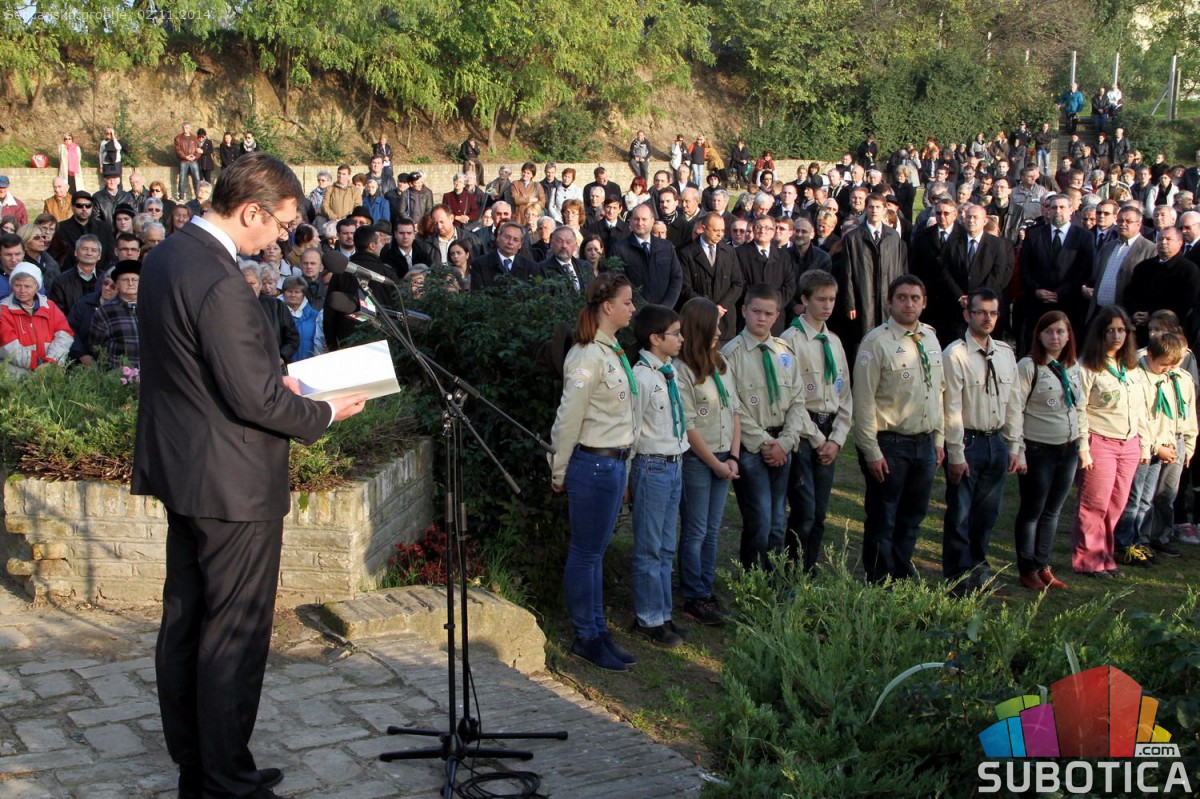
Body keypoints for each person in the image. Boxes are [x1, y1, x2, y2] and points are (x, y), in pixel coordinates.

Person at [132, 152, 367, 799]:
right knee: (232, 631)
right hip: (232, 482)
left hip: (186, 469)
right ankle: (226, 781)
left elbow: (209, 371)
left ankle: (201, 765)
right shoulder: (221, 281)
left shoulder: (168, 257)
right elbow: (255, 400)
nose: (280, 239)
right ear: (251, 210)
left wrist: (272, 380)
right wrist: (324, 410)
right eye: (281, 224)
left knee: (187, 621)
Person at [549, 272, 638, 672]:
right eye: (627, 302)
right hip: (595, 465)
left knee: (596, 553)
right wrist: (559, 469)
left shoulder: (612, 350)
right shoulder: (587, 355)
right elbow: (569, 418)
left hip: (613, 463)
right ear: (607, 307)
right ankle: (586, 636)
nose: (632, 308)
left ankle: (599, 630)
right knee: (586, 554)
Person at [852, 274, 945, 583]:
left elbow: (938, 391)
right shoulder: (876, 342)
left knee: (913, 517)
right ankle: (880, 582)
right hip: (889, 444)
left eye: (915, 298)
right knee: (883, 518)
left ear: (924, 303)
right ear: (889, 302)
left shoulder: (930, 338)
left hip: (924, 443)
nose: (909, 303)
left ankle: (902, 578)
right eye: (902, 297)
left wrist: (939, 440)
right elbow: (863, 400)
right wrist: (871, 450)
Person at [722, 283, 822, 570]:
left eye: (768, 313)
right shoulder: (731, 354)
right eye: (756, 311)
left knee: (778, 521)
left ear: (777, 315)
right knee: (760, 520)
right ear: (744, 311)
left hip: (783, 445)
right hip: (752, 448)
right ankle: (752, 579)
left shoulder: (784, 351)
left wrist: (786, 441)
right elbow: (733, 407)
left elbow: (797, 401)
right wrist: (766, 443)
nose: (761, 318)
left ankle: (772, 580)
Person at [940, 288, 1022, 595]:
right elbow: (950, 408)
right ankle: (958, 576)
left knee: (986, 515)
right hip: (968, 442)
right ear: (967, 314)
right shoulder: (955, 355)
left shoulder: (1005, 353)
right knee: (960, 513)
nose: (987, 319)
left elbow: (1013, 402)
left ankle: (978, 568)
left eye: (993, 313)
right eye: (980, 312)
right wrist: (955, 453)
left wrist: (1014, 445)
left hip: (996, 441)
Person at [781, 270, 851, 573]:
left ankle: (807, 575)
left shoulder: (834, 341)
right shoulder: (791, 340)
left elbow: (845, 394)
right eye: (821, 299)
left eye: (832, 299)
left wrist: (837, 438)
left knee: (819, 514)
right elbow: (791, 398)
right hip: (802, 431)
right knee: (804, 512)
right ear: (804, 300)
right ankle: (790, 575)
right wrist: (819, 439)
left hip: (829, 431)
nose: (827, 305)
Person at [1072, 306, 1150, 578]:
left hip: (1129, 444)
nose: (1116, 336)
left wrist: (1144, 444)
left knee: (1116, 504)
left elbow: (1141, 409)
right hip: (1099, 441)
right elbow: (1079, 409)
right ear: (1100, 333)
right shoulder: (1087, 366)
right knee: (1095, 503)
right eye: (1110, 331)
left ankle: (1106, 556)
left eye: (1121, 330)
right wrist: (1083, 447)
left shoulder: (1132, 367)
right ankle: (1089, 560)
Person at [628, 304, 689, 646]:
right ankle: (648, 618)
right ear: (655, 338)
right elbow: (632, 429)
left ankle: (663, 613)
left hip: (674, 463)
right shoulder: (641, 377)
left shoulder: (670, 372)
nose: (681, 339)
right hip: (651, 466)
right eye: (675, 334)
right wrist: (627, 476)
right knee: (650, 546)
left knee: (666, 545)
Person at [675, 298, 739, 626]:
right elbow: (688, 426)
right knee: (696, 529)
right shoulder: (681, 370)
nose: (718, 331)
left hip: (725, 457)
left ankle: (706, 589)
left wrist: (734, 456)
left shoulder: (722, 363)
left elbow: (735, 411)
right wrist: (715, 463)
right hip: (699, 460)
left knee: (712, 530)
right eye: (713, 325)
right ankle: (694, 595)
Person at [1114, 332, 1197, 568]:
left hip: (1163, 444)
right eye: (1164, 365)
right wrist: (1154, 446)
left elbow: (1176, 416)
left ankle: (1139, 541)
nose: (1168, 370)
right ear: (1150, 355)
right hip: (1144, 446)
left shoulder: (1171, 377)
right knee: (1134, 498)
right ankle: (1123, 544)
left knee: (1147, 499)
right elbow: (1142, 418)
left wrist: (1181, 443)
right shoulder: (1139, 377)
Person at [1013, 311, 1080, 591]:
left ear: (1068, 335)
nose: (1055, 337)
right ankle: (1027, 568)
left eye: (1060, 331)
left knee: (1053, 510)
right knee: (1033, 510)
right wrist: (1018, 449)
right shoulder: (1029, 366)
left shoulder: (1073, 366)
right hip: (1039, 449)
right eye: (1049, 331)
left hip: (1069, 448)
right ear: (1039, 335)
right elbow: (1015, 409)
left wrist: (1082, 443)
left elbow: (1080, 407)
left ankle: (1043, 565)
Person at [678, 212, 743, 342]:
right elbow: (685, 287)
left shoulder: (729, 251)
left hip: (725, 320)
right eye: (716, 230)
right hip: (699, 318)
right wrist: (710, 308)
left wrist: (722, 306)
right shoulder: (686, 253)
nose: (720, 234)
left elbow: (737, 283)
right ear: (703, 228)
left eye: (722, 230)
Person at [1, 263, 73, 378]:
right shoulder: (3, 310)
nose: (22, 290)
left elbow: (65, 335)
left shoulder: (49, 307)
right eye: (17, 285)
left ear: (37, 286)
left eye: (27, 286)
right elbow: (7, 346)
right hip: (16, 377)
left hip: (50, 373)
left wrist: (51, 362)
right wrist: (38, 364)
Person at [89, 259, 141, 370]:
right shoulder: (105, 311)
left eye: (135, 279)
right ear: (116, 284)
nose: (131, 283)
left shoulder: (153, 306)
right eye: (125, 280)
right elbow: (96, 347)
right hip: (117, 375)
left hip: (150, 373)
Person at [280, 275, 324, 361]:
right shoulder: (276, 315)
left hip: (310, 363)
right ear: (283, 293)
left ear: (303, 294)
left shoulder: (315, 316)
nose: (293, 295)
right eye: (289, 291)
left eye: (297, 292)